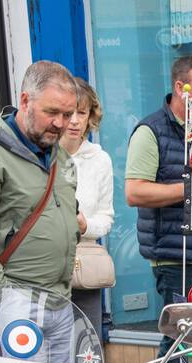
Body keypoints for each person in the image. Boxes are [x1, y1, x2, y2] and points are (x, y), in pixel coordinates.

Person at [0, 60, 81, 363]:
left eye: (67, 114)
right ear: (25, 101)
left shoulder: (57, 154)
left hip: (60, 299)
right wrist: (0, 293)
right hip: (16, 301)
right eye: (52, 112)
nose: (61, 123)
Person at [125, 55, 192, 363]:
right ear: (181, 88)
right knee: (179, 339)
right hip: (175, 255)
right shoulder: (151, 131)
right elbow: (135, 191)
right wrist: (188, 189)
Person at [62, 77, 115, 338]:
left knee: (87, 344)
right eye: (68, 113)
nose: (74, 121)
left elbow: (106, 217)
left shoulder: (100, 159)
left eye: (81, 113)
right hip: (45, 267)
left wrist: (86, 225)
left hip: (83, 264)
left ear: (90, 116)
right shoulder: (42, 156)